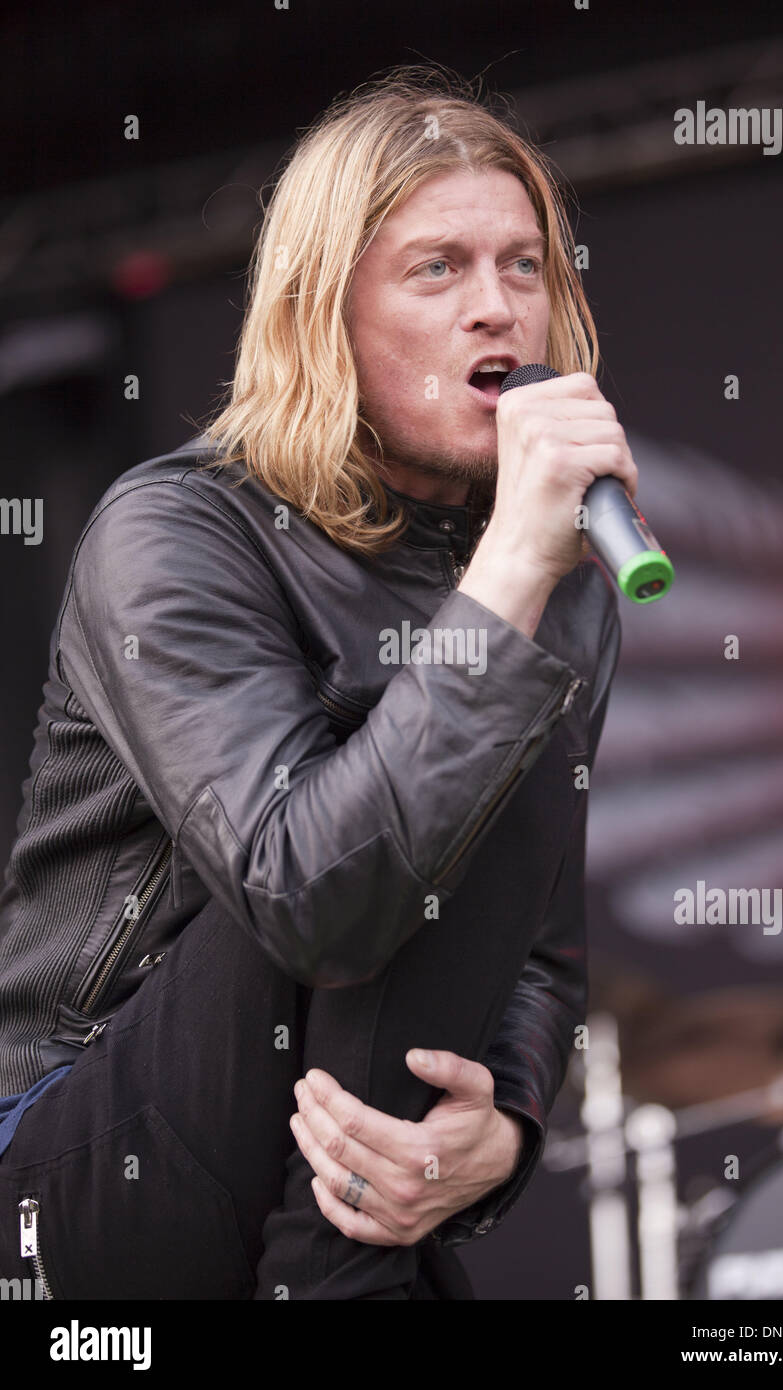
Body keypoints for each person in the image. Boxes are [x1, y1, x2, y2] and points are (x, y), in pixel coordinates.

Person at [0, 65, 635, 1300]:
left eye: (523, 268)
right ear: (322, 314)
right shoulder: (176, 531)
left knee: (479, 786)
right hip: (76, 1156)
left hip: (319, 1192)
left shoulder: (559, 584)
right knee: (431, 793)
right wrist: (504, 585)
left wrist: (496, 1134)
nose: (494, 309)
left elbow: (541, 953)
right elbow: (310, 898)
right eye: (436, 269)